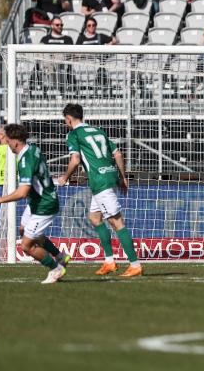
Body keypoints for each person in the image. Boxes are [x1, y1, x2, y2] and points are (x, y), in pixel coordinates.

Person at [57, 104, 142, 278]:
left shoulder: (74, 134)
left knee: (117, 223)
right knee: (95, 218)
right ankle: (109, 261)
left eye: (65, 120)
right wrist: (123, 177)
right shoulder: (98, 131)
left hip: (99, 181)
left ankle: (135, 264)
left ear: (69, 118)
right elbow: (117, 154)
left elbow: (75, 159)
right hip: (109, 176)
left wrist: (65, 177)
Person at [0, 124, 67, 284]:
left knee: (26, 245)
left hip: (44, 204)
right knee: (24, 230)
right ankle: (60, 256)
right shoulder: (33, 149)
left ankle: (56, 268)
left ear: (15, 142)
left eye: (8, 141)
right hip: (37, 200)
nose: (7, 144)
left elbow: (22, 192)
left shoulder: (25, 160)